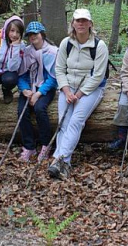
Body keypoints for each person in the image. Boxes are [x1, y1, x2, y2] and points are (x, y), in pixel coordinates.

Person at [48, 9, 108, 179]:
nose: (81, 24)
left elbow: (98, 75)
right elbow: (59, 69)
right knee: (63, 123)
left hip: (91, 89)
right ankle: (64, 164)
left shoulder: (99, 46)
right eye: (78, 21)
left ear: (90, 24)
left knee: (76, 121)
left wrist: (79, 94)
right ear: (73, 23)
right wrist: (66, 91)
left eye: (84, 21)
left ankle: (58, 159)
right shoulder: (66, 43)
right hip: (68, 88)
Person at [16, 21, 58, 162]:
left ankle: (46, 145)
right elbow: (21, 75)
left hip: (45, 88)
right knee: (22, 110)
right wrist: (25, 89)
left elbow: (53, 78)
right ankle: (29, 146)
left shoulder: (52, 52)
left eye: (36, 34)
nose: (33, 37)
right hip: (30, 87)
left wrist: (39, 93)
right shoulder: (27, 52)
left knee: (40, 108)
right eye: (30, 35)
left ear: (42, 34)